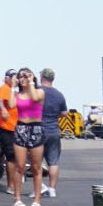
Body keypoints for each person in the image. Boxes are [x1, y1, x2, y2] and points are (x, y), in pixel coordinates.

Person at [9, 68, 45, 206]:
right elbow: (11, 105)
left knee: (36, 167)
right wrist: (12, 86)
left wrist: (31, 82)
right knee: (20, 166)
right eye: (21, 77)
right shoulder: (18, 94)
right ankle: (17, 198)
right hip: (21, 127)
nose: (23, 79)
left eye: (26, 76)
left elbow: (35, 98)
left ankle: (37, 199)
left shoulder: (39, 92)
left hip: (36, 128)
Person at [38, 67, 67, 197]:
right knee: (53, 162)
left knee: (35, 161)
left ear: (41, 77)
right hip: (53, 130)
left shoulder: (37, 92)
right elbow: (64, 113)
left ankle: (39, 187)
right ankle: (52, 189)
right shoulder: (59, 94)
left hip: (39, 129)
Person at [0, 68, 18, 191]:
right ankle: (11, 185)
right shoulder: (5, 88)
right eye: (13, 77)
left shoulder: (13, 90)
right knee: (11, 157)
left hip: (15, 127)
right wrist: (3, 109)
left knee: (15, 158)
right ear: (7, 78)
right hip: (7, 127)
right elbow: (0, 100)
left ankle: (14, 184)